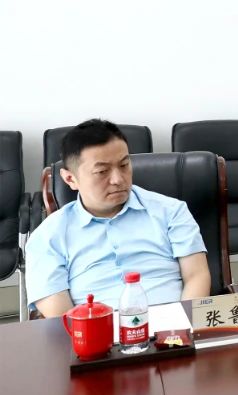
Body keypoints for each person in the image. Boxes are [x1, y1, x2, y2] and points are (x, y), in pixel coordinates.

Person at [26, 118, 211, 318]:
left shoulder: (171, 211)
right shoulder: (48, 236)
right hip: (94, 331)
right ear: (70, 179)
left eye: (124, 165)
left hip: (172, 328)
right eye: (102, 171)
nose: (118, 179)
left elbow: (196, 276)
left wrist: (183, 325)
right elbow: (60, 314)